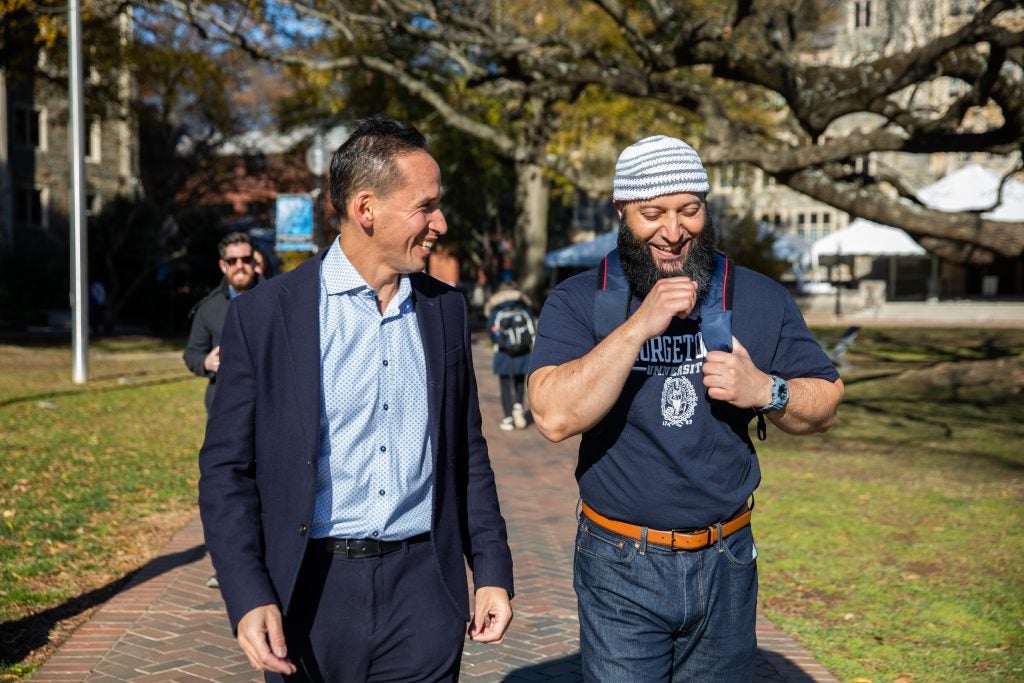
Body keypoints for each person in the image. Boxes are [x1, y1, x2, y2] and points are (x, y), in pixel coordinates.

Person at [198, 116, 514, 681]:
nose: (439, 222)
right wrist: (248, 594)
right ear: (366, 209)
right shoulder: (265, 316)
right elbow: (226, 471)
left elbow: (467, 452)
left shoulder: (445, 310)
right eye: (425, 206)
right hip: (311, 595)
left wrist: (490, 568)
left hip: (425, 592)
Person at [527, 135, 844, 682]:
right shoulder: (580, 298)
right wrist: (638, 328)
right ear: (621, 212)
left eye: (688, 210)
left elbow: (826, 402)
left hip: (728, 558)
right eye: (652, 213)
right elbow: (552, 415)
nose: (673, 232)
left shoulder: (757, 296)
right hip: (620, 559)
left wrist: (767, 390)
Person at [183, 232, 259, 414]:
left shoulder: (278, 299)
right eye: (232, 261)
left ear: (254, 262)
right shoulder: (208, 308)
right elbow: (192, 353)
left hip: (270, 403)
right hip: (224, 405)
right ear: (223, 265)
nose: (240, 266)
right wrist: (206, 363)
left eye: (246, 259)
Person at [485, 282, 535, 430]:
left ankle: (507, 418)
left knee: (505, 384)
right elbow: (532, 327)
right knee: (520, 380)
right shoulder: (524, 306)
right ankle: (518, 406)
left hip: (503, 352)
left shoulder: (496, 308)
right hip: (523, 350)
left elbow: (491, 331)